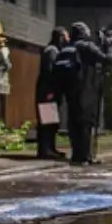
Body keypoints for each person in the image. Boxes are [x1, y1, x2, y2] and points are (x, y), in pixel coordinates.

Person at [53, 22, 112, 166]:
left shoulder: (68, 48)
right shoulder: (86, 46)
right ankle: (85, 156)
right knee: (85, 122)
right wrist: (111, 45)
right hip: (85, 89)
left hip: (70, 90)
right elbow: (107, 59)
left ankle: (77, 154)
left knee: (74, 121)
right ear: (83, 32)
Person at [35, 27, 69, 159]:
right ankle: (45, 150)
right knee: (47, 122)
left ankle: (50, 148)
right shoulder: (52, 51)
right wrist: (51, 91)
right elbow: (49, 72)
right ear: (60, 37)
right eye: (65, 37)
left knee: (52, 122)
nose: (67, 40)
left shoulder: (53, 50)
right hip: (48, 91)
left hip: (49, 90)